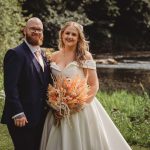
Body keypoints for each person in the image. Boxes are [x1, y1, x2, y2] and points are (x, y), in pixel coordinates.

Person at [40, 21, 132, 150]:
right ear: (62, 35)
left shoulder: (84, 56)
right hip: (58, 108)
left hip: (81, 109)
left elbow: (94, 85)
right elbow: (49, 83)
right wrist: (55, 104)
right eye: (67, 33)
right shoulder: (53, 56)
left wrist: (78, 105)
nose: (70, 37)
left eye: (74, 34)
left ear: (79, 38)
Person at [1, 17, 53, 150]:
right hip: (21, 117)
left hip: (40, 116)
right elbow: (10, 87)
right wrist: (18, 112)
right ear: (25, 30)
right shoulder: (15, 54)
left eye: (39, 29)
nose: (36, 32)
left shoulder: (42, 54)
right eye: (33, 29)